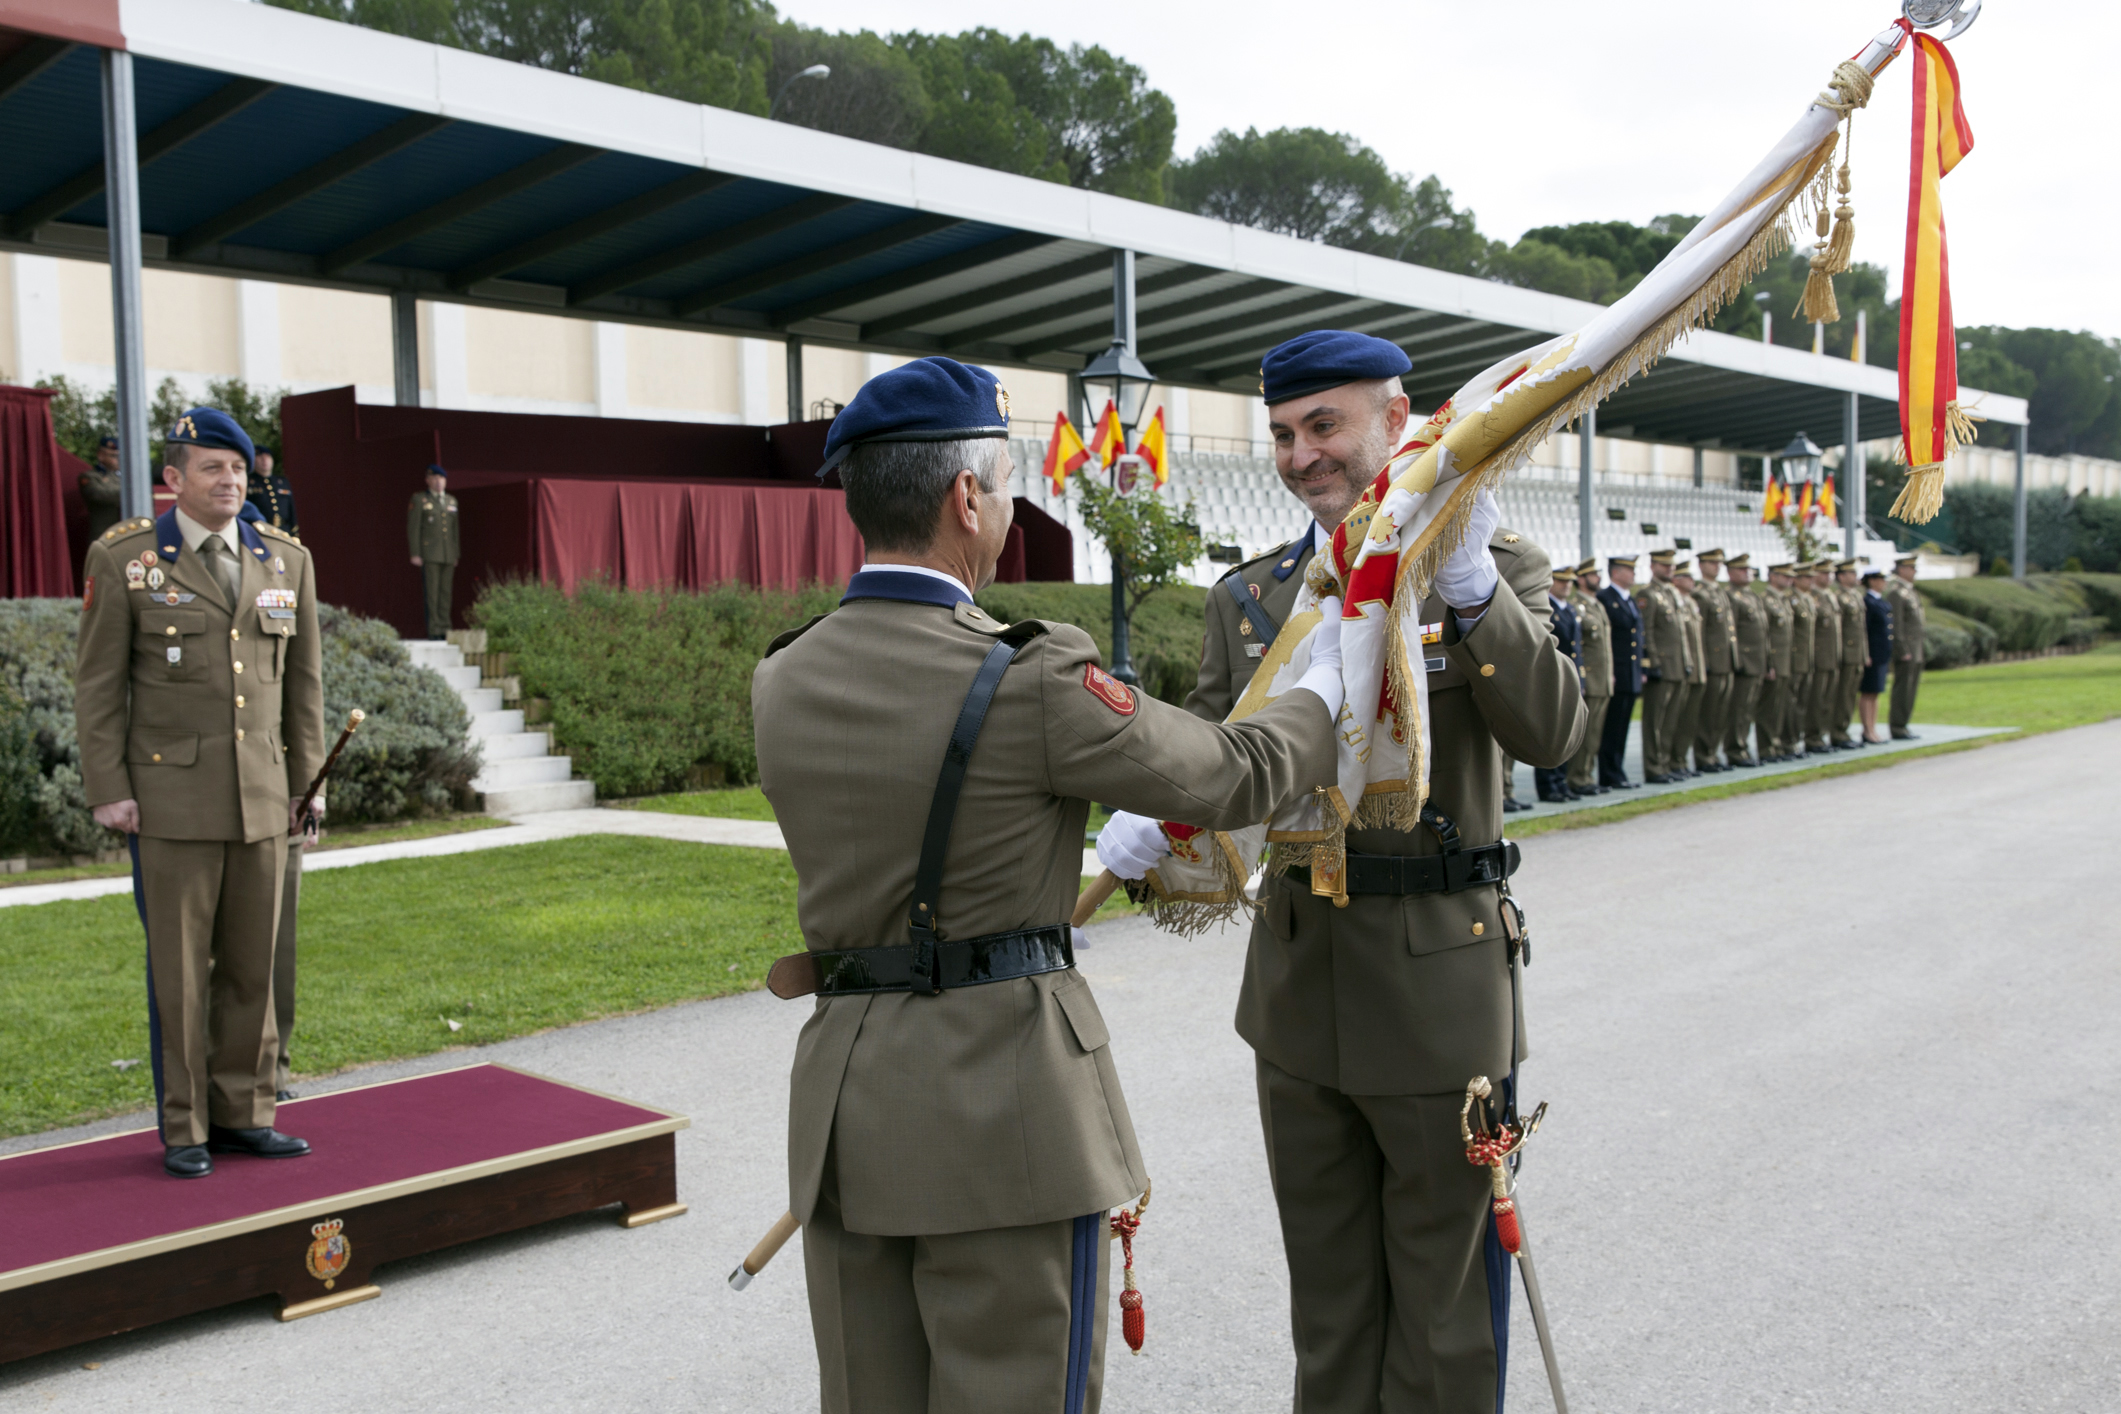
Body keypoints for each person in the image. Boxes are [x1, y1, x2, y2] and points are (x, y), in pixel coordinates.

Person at [752, 357, 1342, 1414]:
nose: (1013, 499)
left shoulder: (783, 675)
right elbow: (1229, 772)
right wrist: (1327, 684)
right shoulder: (1028, 673)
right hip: (1006, 1113)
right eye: (1008, 476)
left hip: (850, 1104)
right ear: (964, 497)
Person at [1126, 329, 1582, 1414]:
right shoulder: (1252, 600)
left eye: (1322, 425)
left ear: (1396, 418)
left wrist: (1468, 590)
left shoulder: (1486, 564)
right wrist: (1146, 806)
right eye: (1282, 433)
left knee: (1442, 1315)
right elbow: (1213, 760)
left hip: (1438, 991)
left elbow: (1556, 730)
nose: (1299, 454)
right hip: (1297, 989)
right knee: (1329, 1307)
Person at [75, 408, 324, 1179]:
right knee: (181, 972)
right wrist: (109, 790)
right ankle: (184, 1127)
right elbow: (98, 685)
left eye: (240, 470)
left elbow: (304, 689)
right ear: (175, 479)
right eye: (213, 469)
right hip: (169, 800)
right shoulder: (128, 560)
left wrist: (307, 788)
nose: (230, 482)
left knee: (254, 964)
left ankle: (245, 1115)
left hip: (263, 798)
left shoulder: (286, 560)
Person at [1636, 548, 1690, 783]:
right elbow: (1646, 631)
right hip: (1662, 666)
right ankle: (1654, 766)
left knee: (1671, 721)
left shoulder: (1671, 594)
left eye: (1671, 565)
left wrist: (1686, 661)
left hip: (1677, 665)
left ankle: (1666, 763)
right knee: (1655, 721)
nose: (1669, 569)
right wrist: (1651, 662)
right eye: (1664, 565)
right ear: (1653, 566)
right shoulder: (1648, 594)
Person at [1535, 566, 1583, 802]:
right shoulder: (1547, 608)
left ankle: (1561, 782)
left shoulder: (1569, 609)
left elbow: (1576, 649)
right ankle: (1549, 785)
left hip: (1569, 678)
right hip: (1553, 679)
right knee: (1551, 734)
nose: (1567, 585)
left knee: (1566, 732)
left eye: (1570, 582)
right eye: (1562, 581)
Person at [1566, 559, 1613, 796]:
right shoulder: (1576, 606)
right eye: (1593, 575)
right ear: (1581, 579)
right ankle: (1577, 777)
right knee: (1585, 734)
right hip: (1589, 679)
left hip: (1603, 680)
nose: (1598, 578)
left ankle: (1586, 774)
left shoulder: (1598, 605)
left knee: (1595, 734)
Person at [1597, 555, 1644, 788]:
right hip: (1616, 671)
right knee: (1611, 727)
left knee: (1622, 726)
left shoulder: (1629, 600)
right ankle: (1609, 774)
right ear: (1615, 573)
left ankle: (1617, 771)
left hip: (1630, 672)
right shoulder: (1605, 598)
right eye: (1628, 569)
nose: (1633, 573)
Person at [1690, 549, 1736, 772]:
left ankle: (1713, 753)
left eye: (1719, 563)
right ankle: (1704, 755)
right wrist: (1705, 662)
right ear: (1701, 565)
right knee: (1708, 713)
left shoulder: (1719, 592)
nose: (1717, 566)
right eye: (1712, 563)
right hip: (1713, 662)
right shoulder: (1701, 594)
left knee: (1721, 712)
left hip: (1725, 660)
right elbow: (1701, 633)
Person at [407, 464, 460, 640]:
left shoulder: (451, 501)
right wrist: (415, 552)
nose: (438, 482)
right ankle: (435, 629)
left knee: (446, 592)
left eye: (441, 478)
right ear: (428, 480)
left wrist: (455, 553)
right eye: (435, 478)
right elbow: (413, 528)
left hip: (447, 554)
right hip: (430, 553)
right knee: (432, 592)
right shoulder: (420, 499)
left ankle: (445, 627)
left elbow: (454, 531)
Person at [1723, 554, 1766, 767]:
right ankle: (1735, 749)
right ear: (1730, 573)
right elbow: (1732, 633)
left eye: (1748, 569)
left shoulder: (1752, 596)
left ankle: (1742, 747)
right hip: (1744, 662)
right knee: (1738, 710)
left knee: (1747, 709)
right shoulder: (1731, 597)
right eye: (1742, 569)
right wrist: (1737, 661)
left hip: (1757, 662)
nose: (1747, 572)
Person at [1885, 553, 1927, 739]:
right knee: (1903, 688)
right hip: (1907, 650)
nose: (1914, 571)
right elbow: (1897, 624)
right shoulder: (1896, 592)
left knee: (1911, 689)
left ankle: (1904, 724)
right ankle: (1898, 726)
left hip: (1915, 649)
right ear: (1901, 570)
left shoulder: (1909, 591)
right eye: (1911, 568)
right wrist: (1901, 649)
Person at [1759, 563, 1797, 761]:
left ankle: (1777, 744)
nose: (1789, 579)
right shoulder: (1766, 600)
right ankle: (1766, 748)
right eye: (1784, 575)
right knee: (1769, 708)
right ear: (1772, 577)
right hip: (1774, 661)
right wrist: (1768, 663)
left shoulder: (1783, 600)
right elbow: (1765, 635)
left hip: (1785, 661)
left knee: (1781, 706)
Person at [1806, 561, 1842, 754]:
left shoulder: (1830, 596)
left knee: (1828, 700)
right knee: (1816, 699)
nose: (1827, 577)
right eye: (1823, 573)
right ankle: (1813, 737)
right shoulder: (1813, 597)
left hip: (1832, 656)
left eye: (1830, 573)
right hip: (1819, 657)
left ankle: (1822, 735)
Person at [1830, 559, 1866, 748]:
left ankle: (1843, 730)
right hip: (1845, 654)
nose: (1855, 576)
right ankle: (1837, 732)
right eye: (1851, 573)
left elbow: (1861, 630)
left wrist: (1864, 654)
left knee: (1850, 695)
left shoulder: (1856, 596)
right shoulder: (1839, 597)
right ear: (1841, 576)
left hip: (1856, 654)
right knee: (1842, 696)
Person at [1784, 562, 1817, 759]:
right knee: (1791, 703)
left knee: (1803, 703)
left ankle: (1797, 739)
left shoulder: (1807, 599)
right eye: (1807, 577)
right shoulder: (1791, 600)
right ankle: (1789, 741)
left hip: (1807, 659)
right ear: (1796, 579)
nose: (1811, 580)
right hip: (1794, 659)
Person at [1859, 569, 1894, 743]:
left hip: (1881, 653)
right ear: (1871, 581)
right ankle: (1867, 730)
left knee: (1876, 692)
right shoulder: (1868, 602)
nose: (1883, 582)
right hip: (1872, 653)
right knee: (1868, 692)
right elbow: (1864, 630)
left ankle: (1873, 728)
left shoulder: (1881, 602)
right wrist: (1866, 653)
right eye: (1880, 579)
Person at [80, 434, 125, 547]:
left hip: (125, 534)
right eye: (113, 456)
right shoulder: (90, 477)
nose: (118, 460)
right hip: (103, 536)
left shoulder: (124, 476)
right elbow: (100, 494)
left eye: (119, 456)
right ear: (101, 456)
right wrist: (131, 492)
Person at [245, 447, 299, 535]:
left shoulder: (282, 482)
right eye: (260, 457)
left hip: (283, 532)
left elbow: (291, 509)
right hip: (259, 532)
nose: (264, 460)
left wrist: (294, 532)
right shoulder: (248, 482)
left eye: (267, 456)